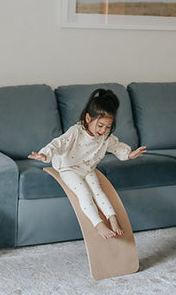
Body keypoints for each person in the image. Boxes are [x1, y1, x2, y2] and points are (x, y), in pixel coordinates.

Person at [28, 88, 146, 239]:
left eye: (108, 127)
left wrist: (129, 154)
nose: (103, 130)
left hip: (87, 168)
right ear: (88, 118)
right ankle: (98, 224)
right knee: (84, 193)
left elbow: (116, 146)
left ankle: (113, 218)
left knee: (98, 191)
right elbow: (58, 144)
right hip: (68, 168)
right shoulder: (76, 132)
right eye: (100, 125)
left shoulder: (104, 137)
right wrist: (44, 154)